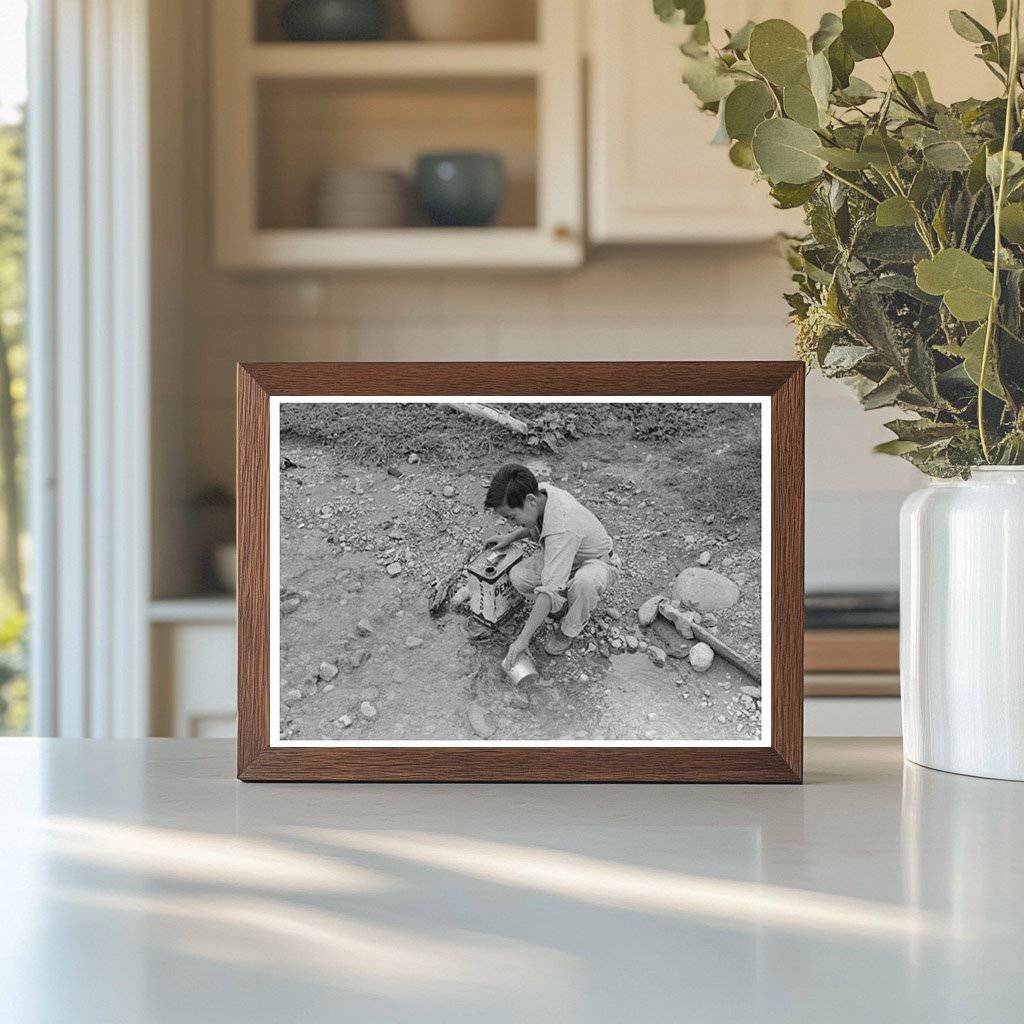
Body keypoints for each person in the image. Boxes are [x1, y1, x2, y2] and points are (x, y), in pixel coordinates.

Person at [482, 463, 619, 670]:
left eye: (512, 517)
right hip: (567, 555)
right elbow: (533, 523)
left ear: (530, 500)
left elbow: (548, 590)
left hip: (598, 562)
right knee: (519, 576)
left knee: (584, 583)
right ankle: (562, 604)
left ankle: (568, 630)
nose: (511, 523)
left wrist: (522, 640)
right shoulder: (541, 493)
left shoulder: (562, 526)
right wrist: (510, 537)